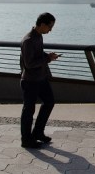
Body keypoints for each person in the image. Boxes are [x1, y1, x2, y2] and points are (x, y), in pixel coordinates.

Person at [20, 12, 60, 148]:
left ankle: (37, 132)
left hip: (41, 78)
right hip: (30, 81)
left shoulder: (38, 37)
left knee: (49, 102)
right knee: (28, 110)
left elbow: (37, 54)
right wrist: (47, 59)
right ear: (42, 24)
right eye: (50, 26)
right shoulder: (28, 40)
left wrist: (48, 56)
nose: (51, 30)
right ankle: (26, 140)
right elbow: (29, 64)